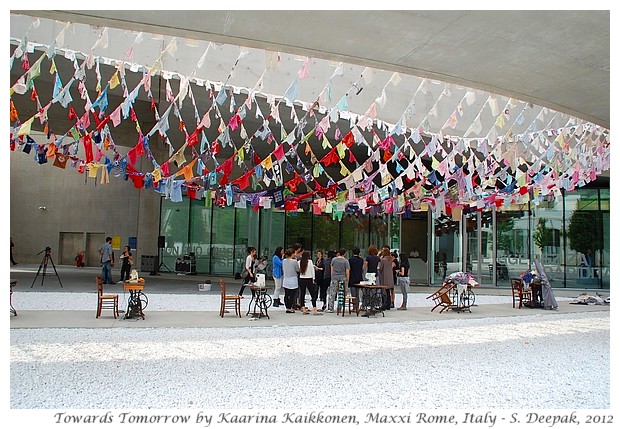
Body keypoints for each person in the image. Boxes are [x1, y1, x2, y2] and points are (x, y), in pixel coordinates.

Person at [326, 248, 350, 313]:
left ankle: (330, 308)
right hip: (343, 277)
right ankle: (339, 307)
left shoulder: (334, 260)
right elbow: (347, 271)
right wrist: (347, 279)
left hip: (335, 277)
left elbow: (332, 269)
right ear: (345, 253)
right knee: (342, 293)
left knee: (332, 293)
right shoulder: (346, 261)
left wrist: (332, 277)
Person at [299, 251, 321, 315]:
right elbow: (312, 271)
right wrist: (313, 279)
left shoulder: (299, 262)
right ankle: (314, 308)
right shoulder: (310, 262)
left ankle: (303, 308)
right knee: (313, 294)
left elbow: (298, 270)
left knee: (302, 294)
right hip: (309, 279)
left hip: (302, 279)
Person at [281, 248, 300, 313]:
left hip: (286, 278)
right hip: (293, 279)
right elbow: (297, 269)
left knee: (286, 294)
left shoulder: (284, 261)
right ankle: (290, 307)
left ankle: (287, 307)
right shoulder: (294, 261)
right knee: (292, 294)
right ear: (292, 254)